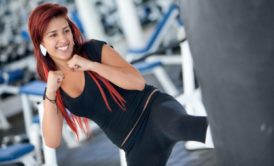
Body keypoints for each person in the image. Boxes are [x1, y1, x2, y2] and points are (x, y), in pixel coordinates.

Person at [28, 3, 212, 166]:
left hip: (153, 110)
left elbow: (138, 82)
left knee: (181, 126)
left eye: (66, 30)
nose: (63, 39)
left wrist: (92, 65)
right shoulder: (54, 87)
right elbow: (52, 141)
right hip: (134, 143)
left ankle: (237, 132)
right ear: (41, 42)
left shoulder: (93, 50)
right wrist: (50, 92)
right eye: (53, 35)